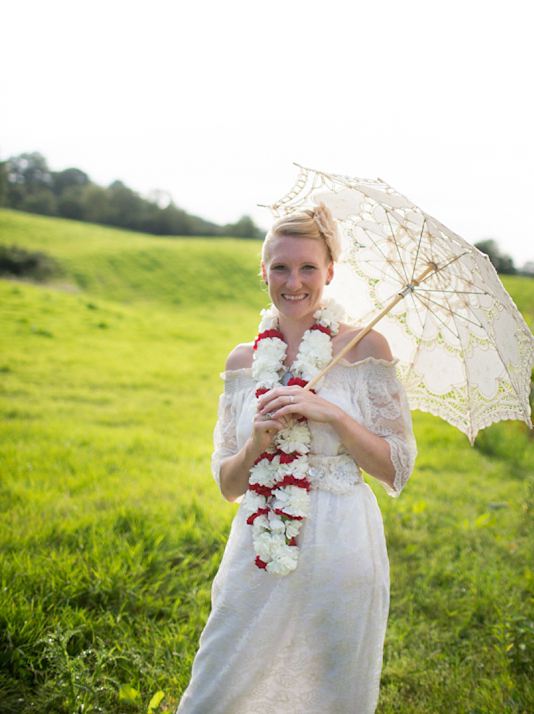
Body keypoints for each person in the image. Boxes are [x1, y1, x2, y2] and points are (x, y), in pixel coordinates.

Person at [177, 203, 417, 714]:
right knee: (219, 681)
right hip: (258, 542)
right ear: (263, 271)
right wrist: (255, 446)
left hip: (341, 543)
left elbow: (396, 466)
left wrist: (331, 414)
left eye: (308, 267)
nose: (294, 282)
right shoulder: (243, 360)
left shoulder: (366, 346)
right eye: (281, 267)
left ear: (330, 271)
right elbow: (227, 483)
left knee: (330, 693)